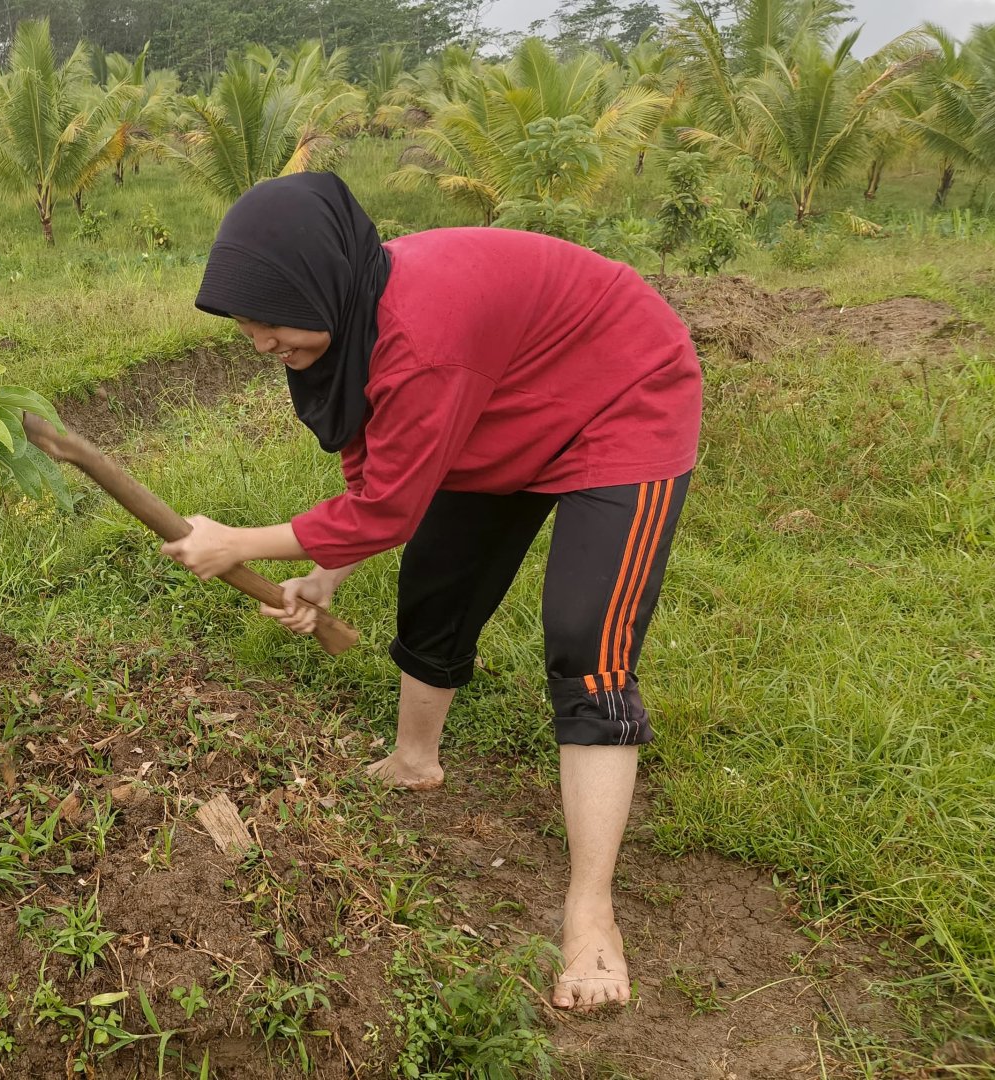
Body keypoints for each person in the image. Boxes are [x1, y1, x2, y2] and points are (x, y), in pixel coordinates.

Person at [159, 173, 702, 1009]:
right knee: (439, 583)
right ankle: (415, 762)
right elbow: (376, 464)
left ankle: (591, 913)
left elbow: (388, 504)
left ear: (320, 284)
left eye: (271, 326)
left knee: (585, 637)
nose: (262, 346)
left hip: (619, 393)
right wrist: (326, 572)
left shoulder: (422, 337)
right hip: (502, 397)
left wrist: (239, 542)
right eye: (247, 331)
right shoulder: (348, 317)